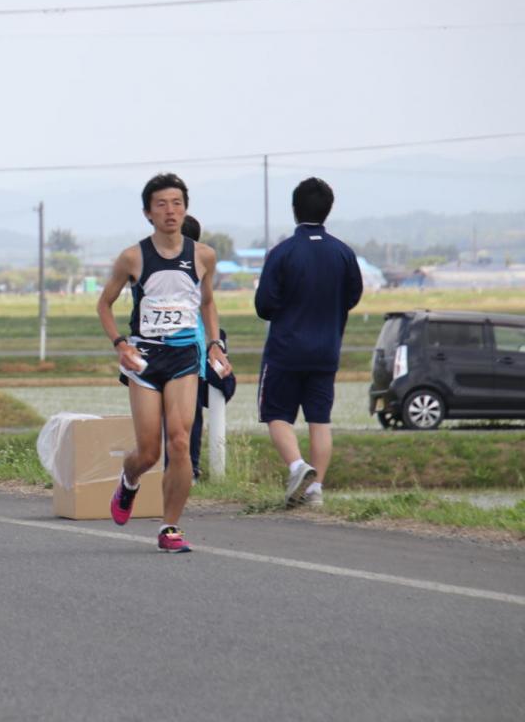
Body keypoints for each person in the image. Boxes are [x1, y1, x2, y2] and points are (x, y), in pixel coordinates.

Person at [95, 173, 232, 553]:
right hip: (144, 359)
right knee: (149, 451)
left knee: (180, 440)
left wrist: (215, 344)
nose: (170, 211)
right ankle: (129, 479)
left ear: (185, 208)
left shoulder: (203, 255)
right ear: (148, 213)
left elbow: (206, 302)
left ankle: (170, 526)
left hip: (185, 357)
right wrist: (120, 344)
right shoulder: (133, 257)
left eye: (176, 203)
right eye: (161, 204)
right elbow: (104, 304)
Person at [255, 178, 363, 507]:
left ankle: (298, 466)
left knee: (276, 414)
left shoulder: (283, 252)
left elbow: (264, 305)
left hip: (286, 349)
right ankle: (317, 490)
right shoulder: (343, 253)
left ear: (294, 208)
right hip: (326, 349)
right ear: (328, 209)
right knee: (320, 419)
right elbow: (352, 296)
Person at [161, 214, 237, 481]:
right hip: (186, 351)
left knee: (182, 416)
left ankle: (183, 470)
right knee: (185, 415)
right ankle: (186, 470)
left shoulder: (184, 269)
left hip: (185, 352)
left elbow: (207, 307)